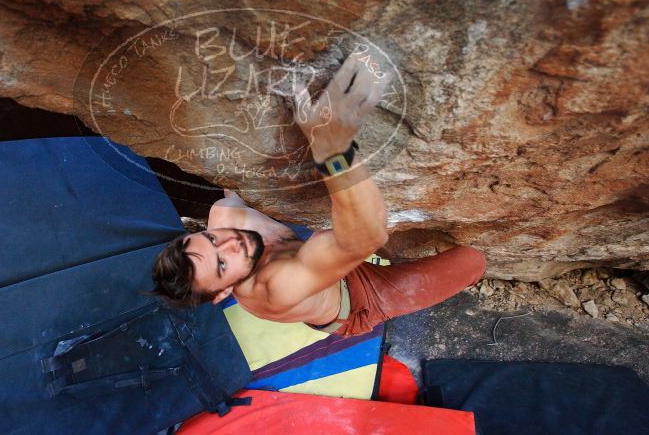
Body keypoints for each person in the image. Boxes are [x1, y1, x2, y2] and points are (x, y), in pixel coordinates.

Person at [152, 50, 486, 336]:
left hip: (323, 259)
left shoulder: (225, 213)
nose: (229, 243)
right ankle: (467, 280)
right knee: (472, 261)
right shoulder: (276, 287)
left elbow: (240, 175)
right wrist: (331, 146)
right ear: (224, 292)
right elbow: (365, 237)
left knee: (327, 237)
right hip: (358, 299)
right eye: (223, 264)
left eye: (210, 240)